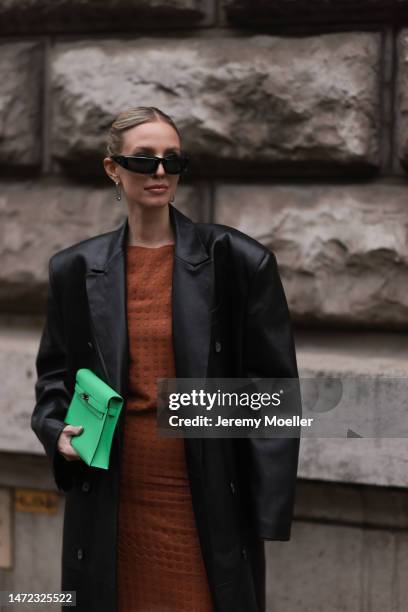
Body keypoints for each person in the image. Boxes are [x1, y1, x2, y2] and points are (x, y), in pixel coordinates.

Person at [31, 105, 301, 612]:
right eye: (144, 159)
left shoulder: (239, 261)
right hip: (110, 492)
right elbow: (55, 378)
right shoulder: (73, 269)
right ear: (112, 168)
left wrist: (263, 511)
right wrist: (56, 433)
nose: (159, 172)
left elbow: (275, 391)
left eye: (172, 160)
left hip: (206, 496)